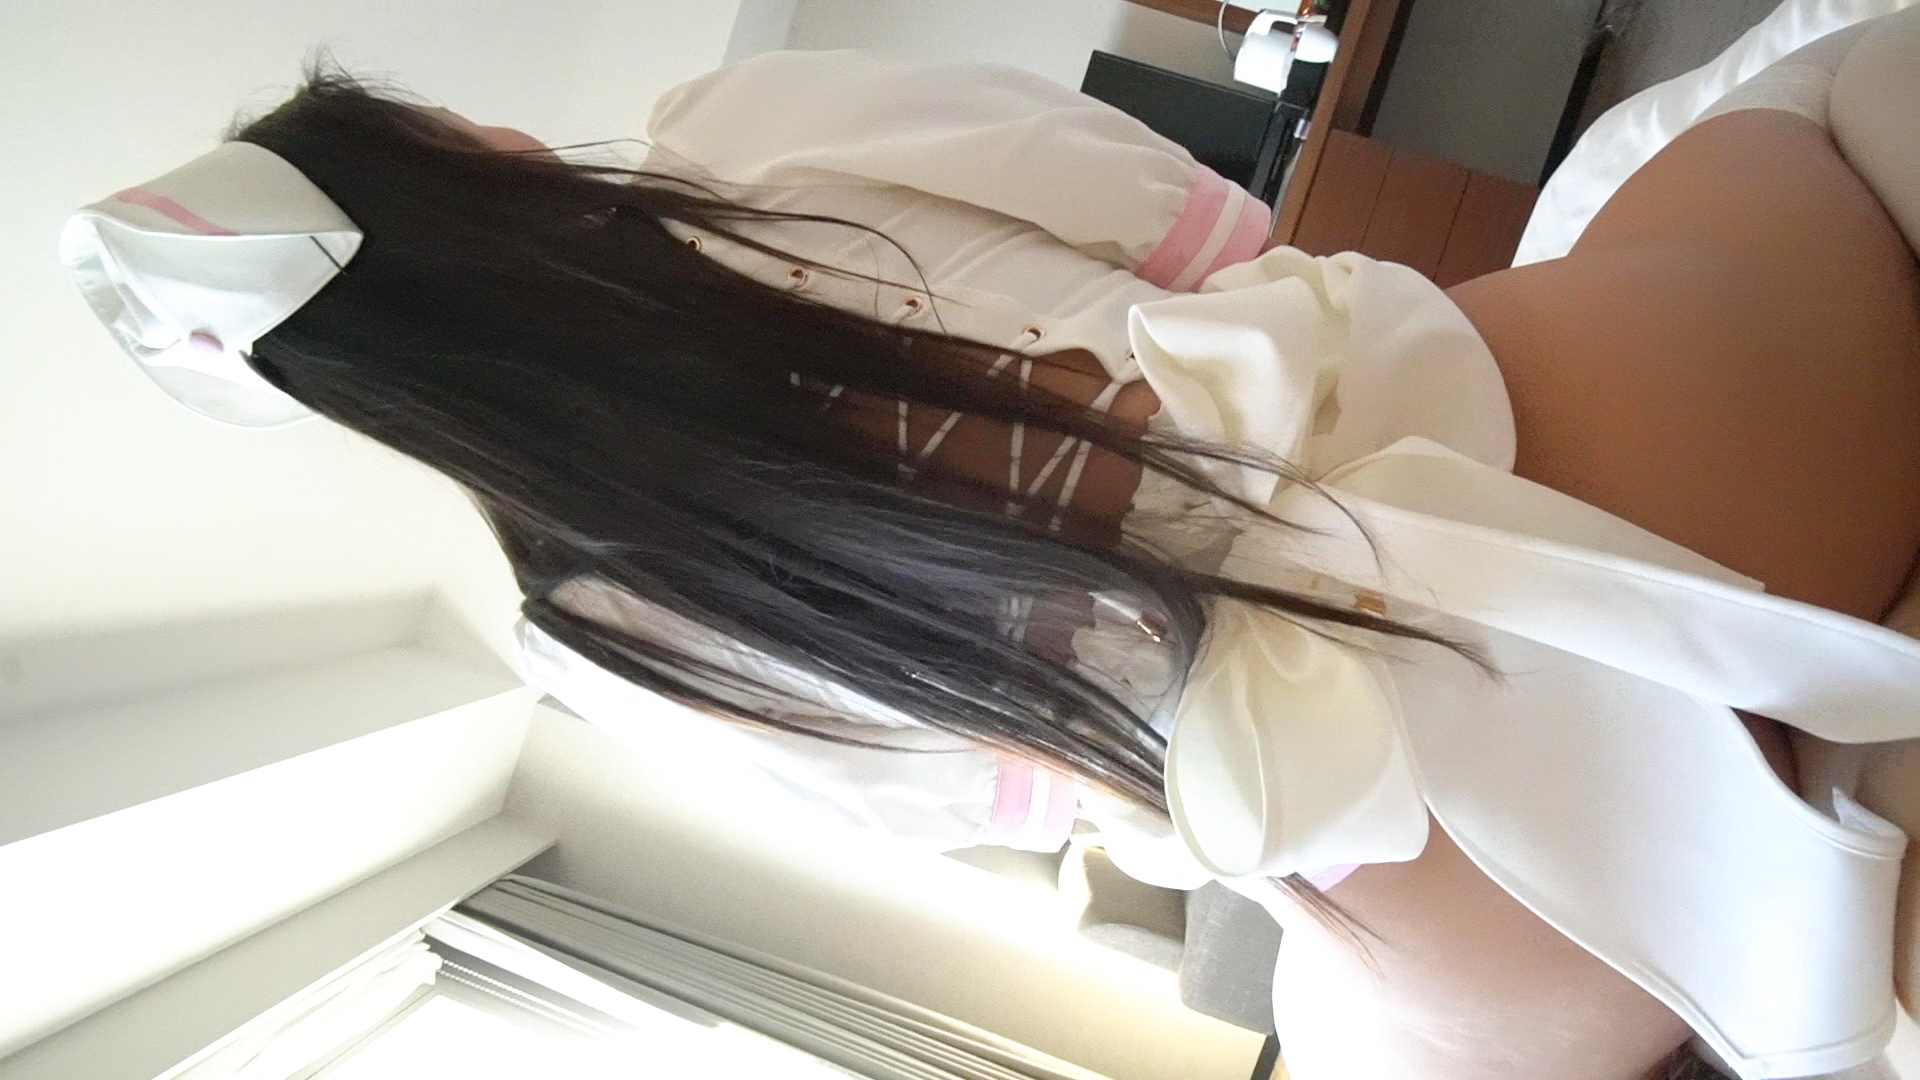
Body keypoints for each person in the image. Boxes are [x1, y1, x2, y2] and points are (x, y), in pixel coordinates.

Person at [57, 8, 1920, 1078]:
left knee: (1332, 1007)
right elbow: (1232, 248)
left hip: (1487, 918)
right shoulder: (746, 132)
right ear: (464, 167)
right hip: (1660, 437)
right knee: (1816, 94)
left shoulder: (595, 638)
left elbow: (1016, 804)